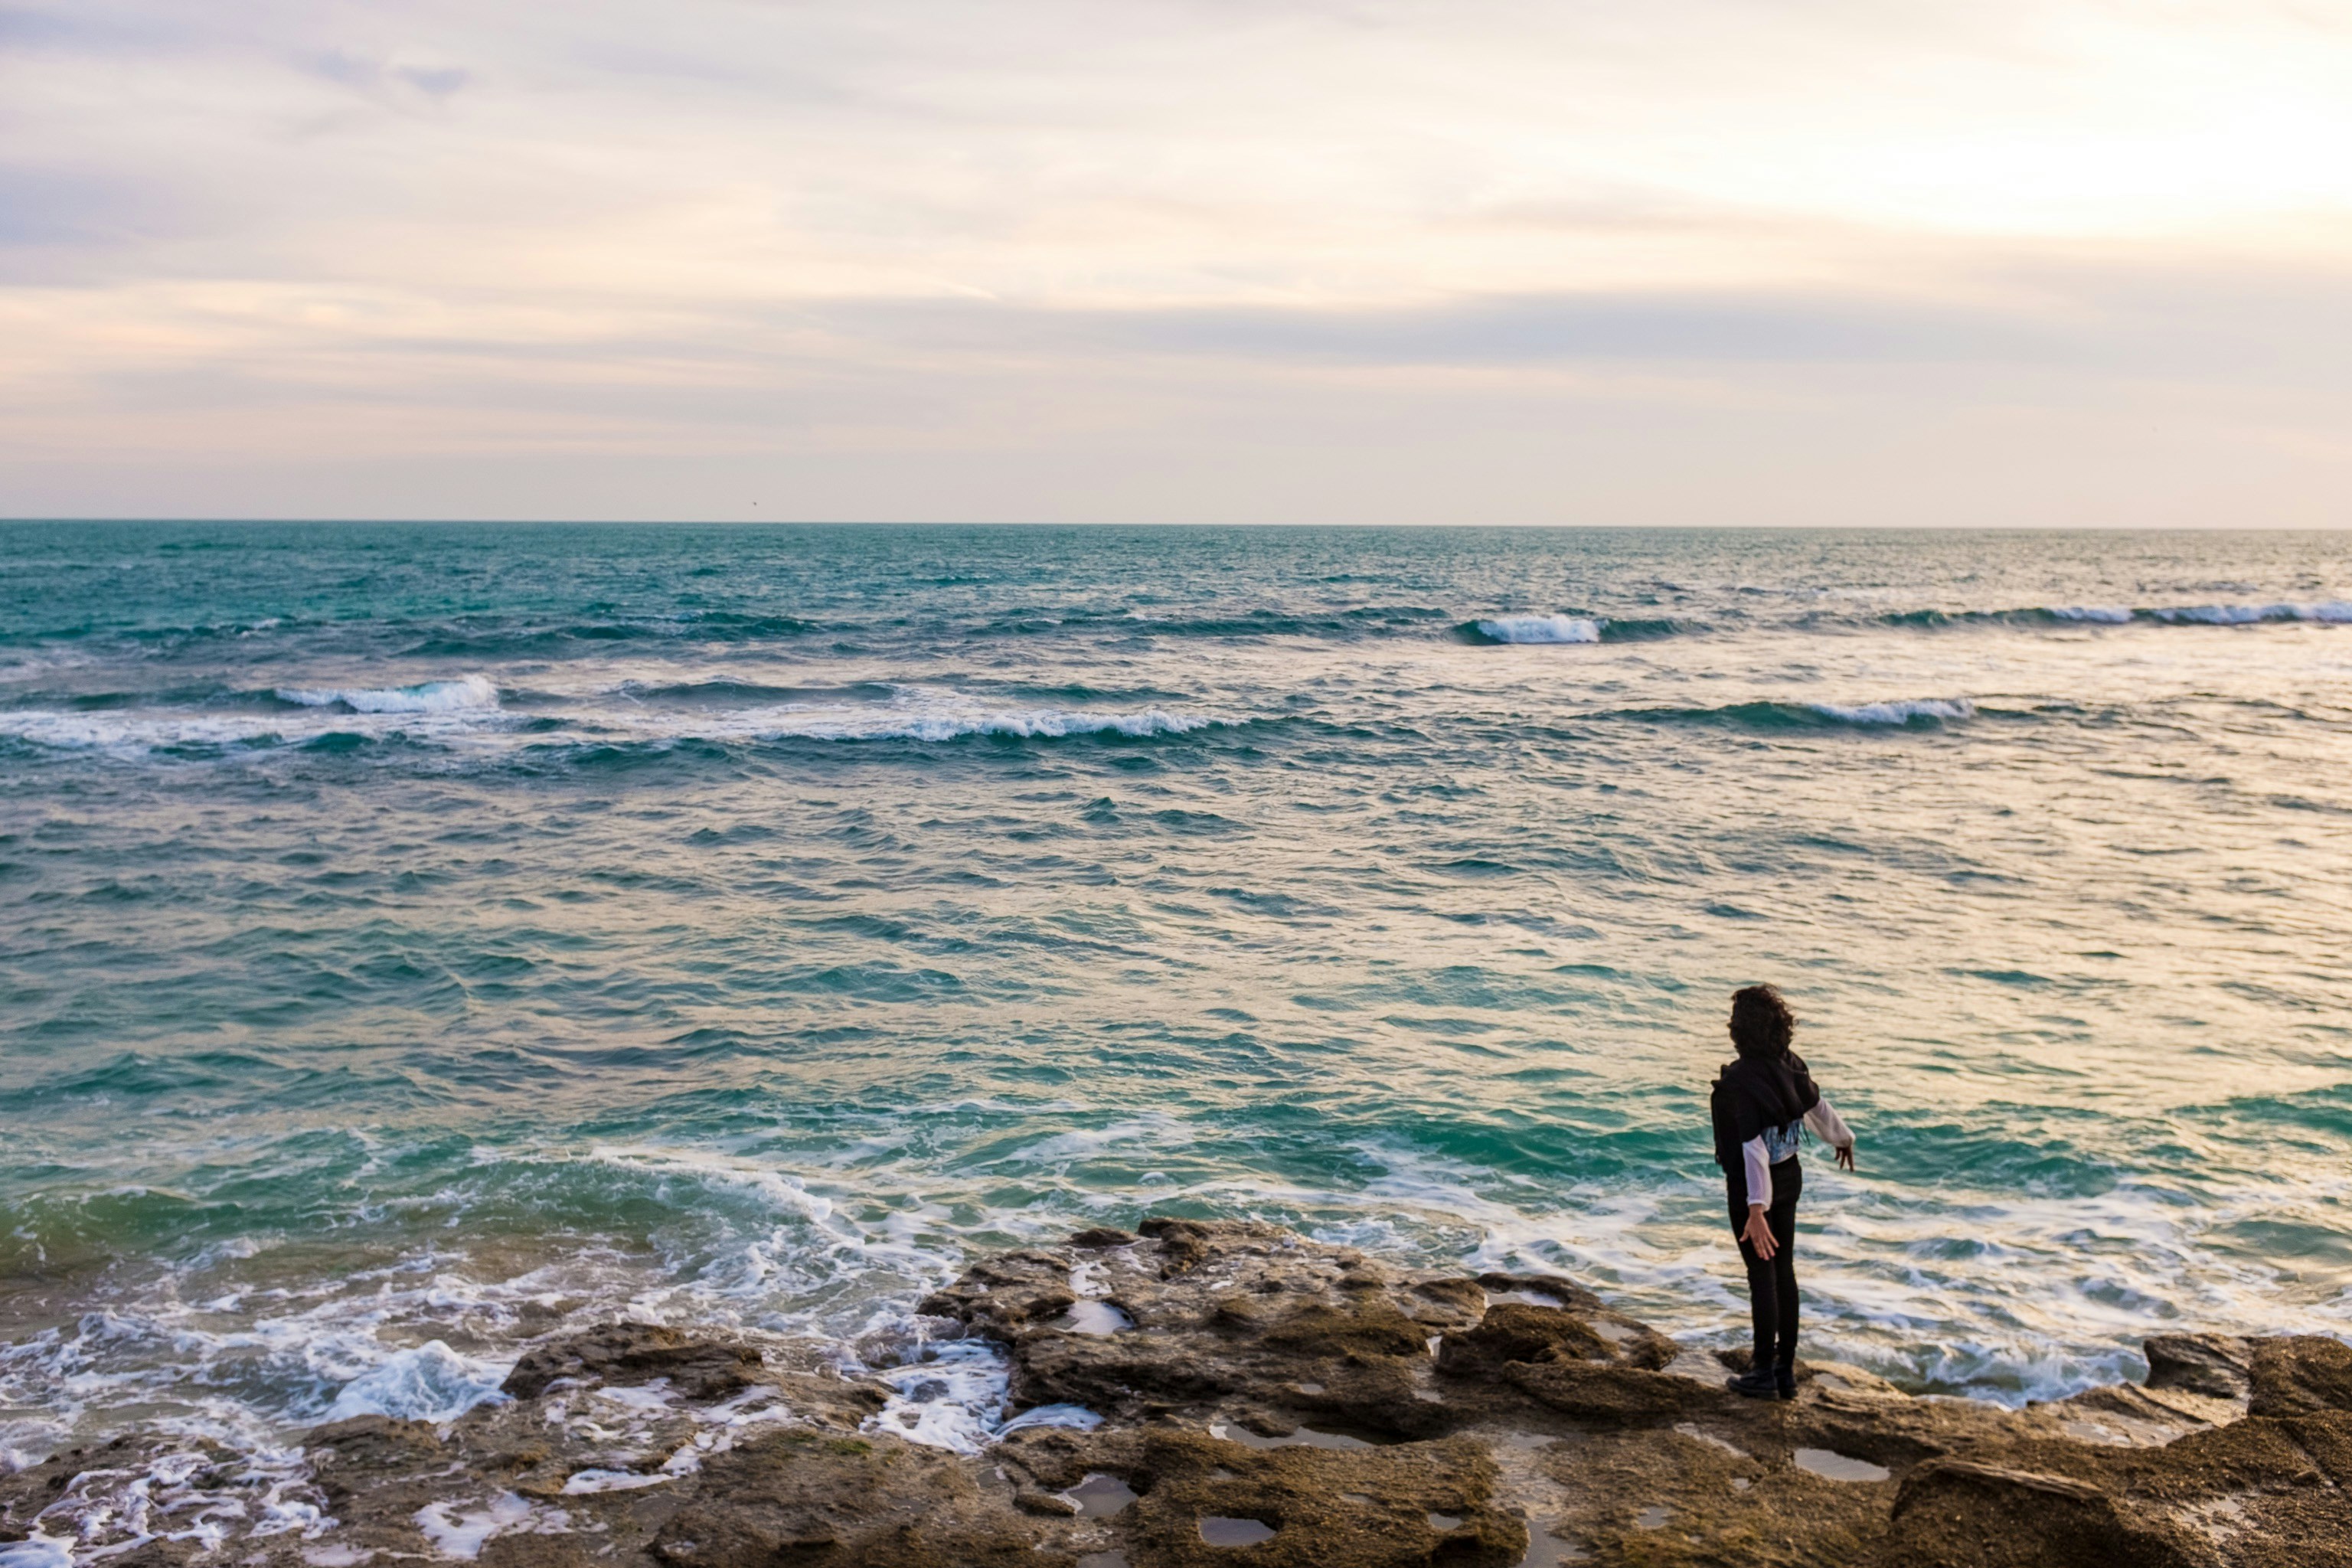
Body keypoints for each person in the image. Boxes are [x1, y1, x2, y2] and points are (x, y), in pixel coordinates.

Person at [1710, 984, 1854, 1400]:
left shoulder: (1740, 1080)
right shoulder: (1789, 1064)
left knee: (1761, 1274)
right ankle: (1785, 1371)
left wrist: (1756, 1209)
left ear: (1739, 1031)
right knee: (1783, 1271)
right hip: (1790, 1177)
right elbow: (1816, 1105)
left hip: (1755, 1188)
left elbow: (1752, 1147)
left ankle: (1762, 1373)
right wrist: (1843, 1139)